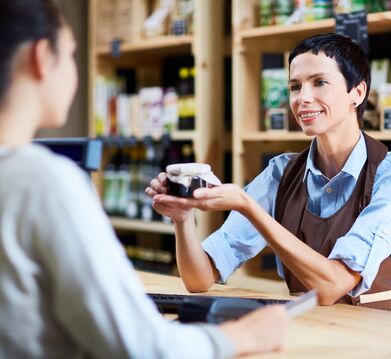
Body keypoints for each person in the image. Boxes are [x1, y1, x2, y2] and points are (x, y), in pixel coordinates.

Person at [0, 1, 288, 358]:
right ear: (42, 58)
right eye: (72, 55)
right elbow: (142, 348)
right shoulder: (41, 181)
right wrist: (243, 337)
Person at [146, 33, 391, 312]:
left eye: (320, 83)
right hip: (312, 330)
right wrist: (182, 219)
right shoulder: (280, 173)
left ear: (358, 92)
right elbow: (199, 279)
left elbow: (332, 285)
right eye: (294, 86)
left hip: (382, 338)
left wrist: (248, 206)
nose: (303, 98)